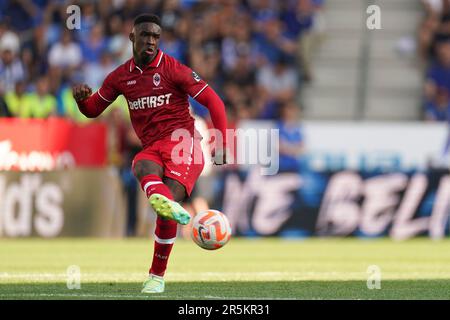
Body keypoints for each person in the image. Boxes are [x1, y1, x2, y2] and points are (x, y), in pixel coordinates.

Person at [72, 14, 227, 294]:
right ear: (132, 37)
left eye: (156, 36)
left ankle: (156, 276)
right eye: (145, 35)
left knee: (165, 206)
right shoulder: (120, 77)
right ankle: (164, 202)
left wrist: (222, 141)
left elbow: (213, 100)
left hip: (184, 145)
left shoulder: (174, 69)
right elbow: (93, 109)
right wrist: (82, 100)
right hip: (153, 147)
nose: (151, 41)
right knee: (140, 164)